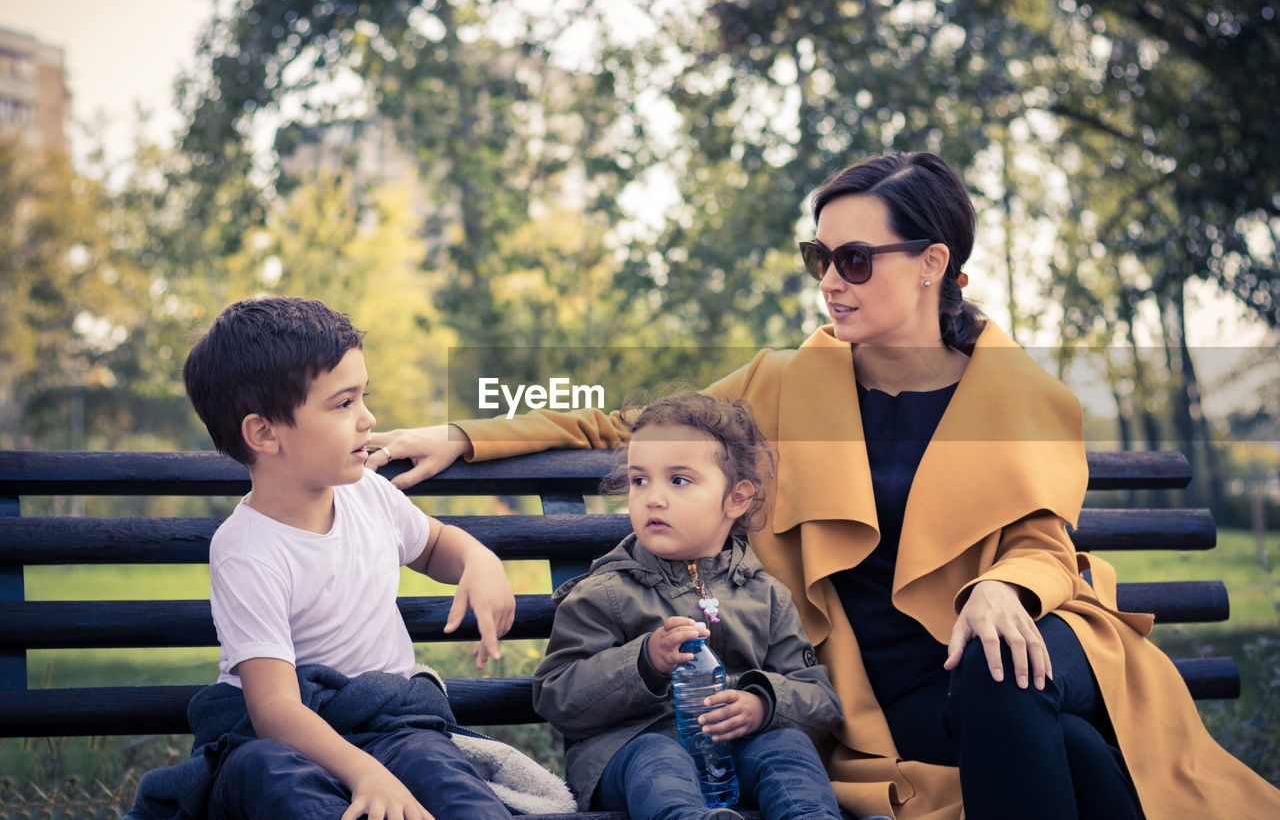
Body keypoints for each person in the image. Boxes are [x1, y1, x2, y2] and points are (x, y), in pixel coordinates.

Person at [369, 152, 1280, 819]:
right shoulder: (782, 383)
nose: (831, 284)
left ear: (933, 263)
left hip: (1041, 634)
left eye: (856, 260)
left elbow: (1043, 536)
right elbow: (624, 419)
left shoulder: (1022, 393)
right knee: (1074, 760)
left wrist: (1002, 587)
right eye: (822, 258)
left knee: (1005, 672)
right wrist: (464, 434)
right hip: (900, 690)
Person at [175, 296, 515, 820]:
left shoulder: (368, 496)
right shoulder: (247, 551)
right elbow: (275, 711)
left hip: (390, 726)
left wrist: (479, 560)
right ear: (264, 432)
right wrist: (365, 773)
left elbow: (435, 545)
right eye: (343, 404)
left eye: (364, 397)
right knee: (268, 775)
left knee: (445, 777)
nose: (368, 419)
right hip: (288, 741)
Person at [531, 392, 844, 820]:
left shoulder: (766, 595)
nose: (653, 498)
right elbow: (556, 698)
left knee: (787, 748)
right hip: (629, 756)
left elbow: (819, 699)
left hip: (735, 759)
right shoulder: (604, 593)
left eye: (678, 480)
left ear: (736, 498)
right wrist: (643, 662)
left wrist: (763, 704)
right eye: (640, 481)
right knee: (658, 755)